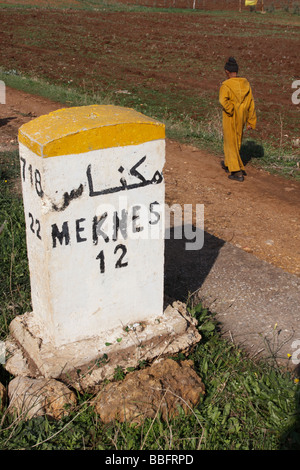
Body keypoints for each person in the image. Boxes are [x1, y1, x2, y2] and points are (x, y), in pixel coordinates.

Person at [219, 57, 257, 182]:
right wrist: (251, 121)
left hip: (231, 117)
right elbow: (251, 103)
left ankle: (237, 172)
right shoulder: (246, 84)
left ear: (227, 71)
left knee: (230, 143)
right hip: (242, 117)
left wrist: (230, 110)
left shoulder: (226, 85)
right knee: (237, 141)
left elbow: (223, 100)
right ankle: (230, 163)